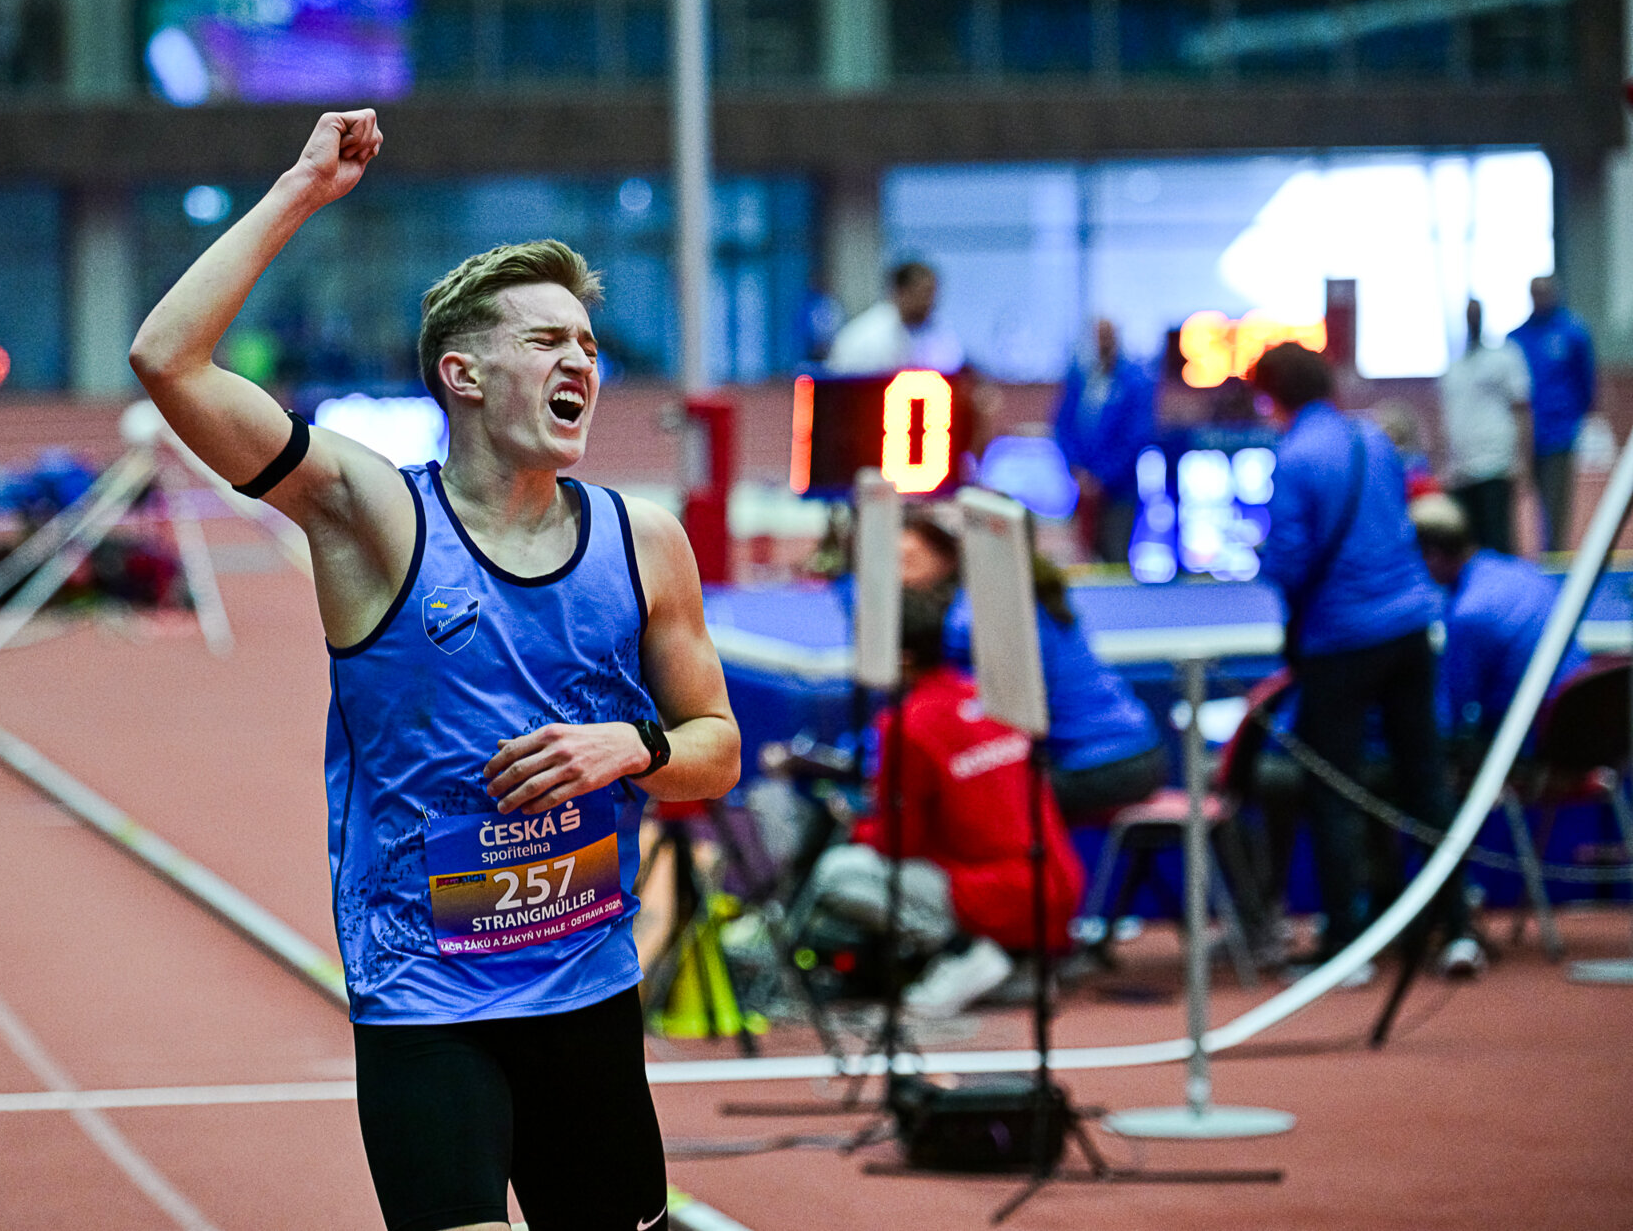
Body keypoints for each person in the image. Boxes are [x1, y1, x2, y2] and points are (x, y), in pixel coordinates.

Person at [129, 108, 740, 1231]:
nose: (580, 361)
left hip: (587, 994)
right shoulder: (373, 518)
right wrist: (302, 190)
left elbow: (716, 749)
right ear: (463, 372)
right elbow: (167, 361)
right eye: (546, 340)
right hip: (428, 1004)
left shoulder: (643, 541)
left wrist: (633, 746)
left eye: (588, 345)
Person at [1249, 342, 1480, 978]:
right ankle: (1456, 930)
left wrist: (1260, 559)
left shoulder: (1294, 458)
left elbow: (1289, 563)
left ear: (1274, 396)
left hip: (1341, 642)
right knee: (1425, 781)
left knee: (1333, 790)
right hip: (1410, 631)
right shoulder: (1374, 441)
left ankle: (1347, 946)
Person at [801, 584, 1085, 1018]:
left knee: (840, 871)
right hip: (1060, 888)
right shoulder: (986, 694)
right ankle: (1017, 962)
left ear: (902, 657)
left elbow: (900, 843)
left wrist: (856, 826)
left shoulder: (906, 724)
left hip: (998, 894)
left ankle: (964, 951)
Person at [903, 518, 1166, 821]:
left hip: (1103, 767)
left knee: (977, 794)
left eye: (911, 560)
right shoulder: (1030, 587)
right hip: (1137, 754)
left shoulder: (986, 613)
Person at [1410, 494, 1583, 757]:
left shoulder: (1468, 613)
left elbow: (1453, 712)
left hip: (1533, 736)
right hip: (1583, 714)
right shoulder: (1524, 572)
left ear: (1432, 555)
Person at [1052, 319, 1156, 564]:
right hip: (1082, 491)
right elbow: (1063, 426)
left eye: (1107, 336)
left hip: (1119, 492)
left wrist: (1101, 477)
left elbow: (1136, 438)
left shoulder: (1134, 382)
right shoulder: (1081, 378)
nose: (1102, 342)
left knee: (1115, 558)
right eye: (1098, 336)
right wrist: (1078, 470)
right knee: (1083, 558)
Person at [1507, 276, 1594, 552]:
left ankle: (1555, 558)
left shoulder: (1573, 332)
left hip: (1559, 435)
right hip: (1522, 439)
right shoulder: (1516, 339)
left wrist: (1574, 421)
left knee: (1556, 506)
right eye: (1535, 293)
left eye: (1545, 292)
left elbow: (1586, 383)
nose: (1540, 298)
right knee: (1519, 504)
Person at [1440, 299, 1532, 554]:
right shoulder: (1455, 367)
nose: (1472, 320)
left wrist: (1523, 459)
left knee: (1497, 539)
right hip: (1461, 468)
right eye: (1468, 315)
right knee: (1467, 544)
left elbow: (1521, 409)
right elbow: (1449, 417)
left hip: (1495, 463)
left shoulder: (1504, 357)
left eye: (1476, 315)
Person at [823, 261, 939, 375]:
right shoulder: (869, 337)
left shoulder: (922, 332)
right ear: (901, 292)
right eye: (925, 294)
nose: (930, 303)